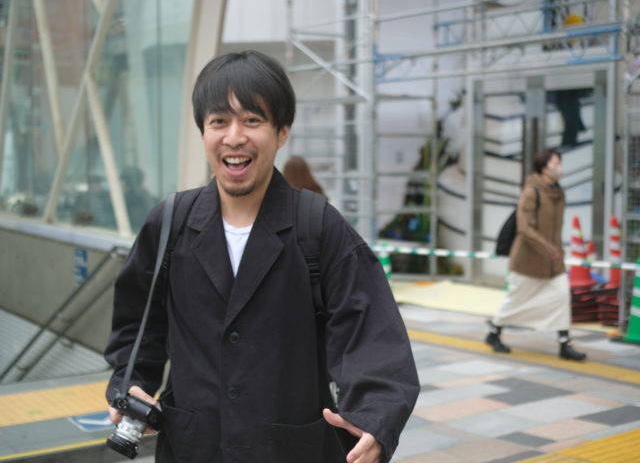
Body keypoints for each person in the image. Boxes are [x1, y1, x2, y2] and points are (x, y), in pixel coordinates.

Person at [104, 50, 419, 463]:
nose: (234, 137)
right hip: (194, 448)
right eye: (219, 121)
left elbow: (369, 328)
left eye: (252, 120)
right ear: (202, 131)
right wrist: (130, 382)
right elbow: (137, 322)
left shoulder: (316, 225)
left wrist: (375, 417)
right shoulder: (170, 223)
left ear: (282, 131)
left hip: (292, 450)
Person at [485, 148, 587, 361]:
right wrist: (550, 250)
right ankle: (494, 332)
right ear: (543, 167)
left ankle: (564, 343)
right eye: (555, 163)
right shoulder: (532, 191)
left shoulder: (558, 192)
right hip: (528, 260)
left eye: (559, 163)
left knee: (561, 297)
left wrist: (556, 251)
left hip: (553, 262)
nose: (559, 167)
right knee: (515, 301)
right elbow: (524, 228)